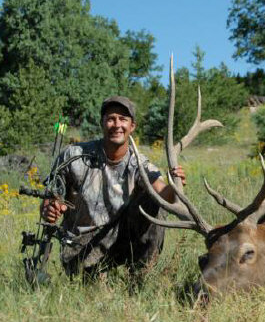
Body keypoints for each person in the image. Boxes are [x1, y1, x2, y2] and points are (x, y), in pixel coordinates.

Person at [40, 96, 184, 279]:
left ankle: (140, 276)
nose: (117, 124)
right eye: (111, 119)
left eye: (123, 119)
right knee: (90, 288)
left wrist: (175, 183)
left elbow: (165, 195)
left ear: (132, 126)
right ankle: (93, 273)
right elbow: (49, 200)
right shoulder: (73, 156)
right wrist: (49, 209)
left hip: (121, 242)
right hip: (82, 247)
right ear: (102, 123)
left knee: (153, 202)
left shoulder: (139, 163)